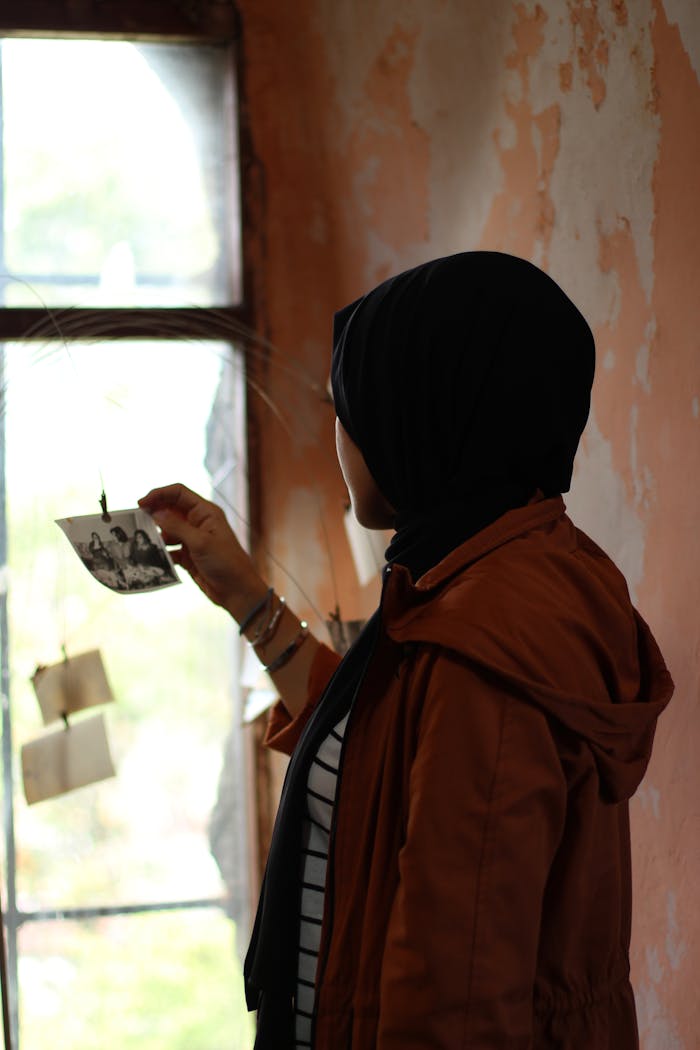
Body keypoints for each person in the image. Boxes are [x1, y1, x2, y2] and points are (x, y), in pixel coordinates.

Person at [139, 252, 674, 1050]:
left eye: (350, 405)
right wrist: (247, 596)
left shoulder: (487, 645)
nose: (338, 433)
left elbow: (454, 1000)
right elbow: (379, 752)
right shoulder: (503, 569)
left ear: (422, 415)